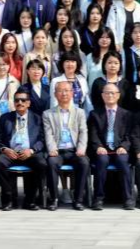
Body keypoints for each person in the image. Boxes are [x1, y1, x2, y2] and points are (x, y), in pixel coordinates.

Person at [0, 88, 47, 211]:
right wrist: (5, 149)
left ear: (29, 103)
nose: (20, 103)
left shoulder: (37, 118)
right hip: (11, 152)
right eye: (17, 100)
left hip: (29, 153)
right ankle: (9, 199)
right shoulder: (5, 118)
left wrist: (31, 150)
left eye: (23, 100)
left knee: (41, 163)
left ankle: (30, 200)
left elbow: (41, 140)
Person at [43, 81, 90, 210]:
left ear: (72, 93)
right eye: (60, 91)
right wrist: (52, 149)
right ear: (55, 94)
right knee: (51, 163)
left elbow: (83, 132)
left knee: (84, 162)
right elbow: (48, 134)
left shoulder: (80, 112)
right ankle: (54, 199)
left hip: (74, 150)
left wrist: (81, 149)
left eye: (67, 90)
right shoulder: (48, 114)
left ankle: (78, 199)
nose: (64, 93)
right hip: (58, 150)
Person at [86, 84, 134, 210]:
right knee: (101, 161)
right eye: (107, 93)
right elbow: (92, 134)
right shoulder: (95, 114)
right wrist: (98, 147)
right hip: (103, 149)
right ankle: (98, 198)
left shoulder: (127, 114)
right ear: (102, 96)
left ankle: (128, 199)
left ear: (118, 95)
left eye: (113, 93)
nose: (110, 95)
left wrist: (124, 146)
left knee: (123, 162)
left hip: (119, 149)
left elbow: (130, 134)